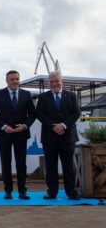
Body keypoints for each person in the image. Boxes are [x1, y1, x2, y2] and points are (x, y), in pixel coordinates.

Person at [0, 70, 36, 200]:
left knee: (21, 163)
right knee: (6, 162)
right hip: (4, 134)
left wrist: (25, 125)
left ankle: (22, 191)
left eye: (17, 79)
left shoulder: (26, 94)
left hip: (21, 134)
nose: (15, 81)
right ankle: (8, 191)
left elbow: (32, 114)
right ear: (7, 81)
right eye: (12, 79)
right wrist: (4, 126)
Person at [35, 71, 81, 200]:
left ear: (62, 82)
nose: (54, 84)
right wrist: (54, 126)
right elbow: (40, 114)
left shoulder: (71, 96)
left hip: (68, 136)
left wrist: (63, 125)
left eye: (57, 81)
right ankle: (52, 191)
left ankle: (71, 192)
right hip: (50, 137)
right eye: (52, 82)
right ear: (48, 83)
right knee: (50, 166)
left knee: (68, 166)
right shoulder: (43, 97)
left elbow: (76, 113)